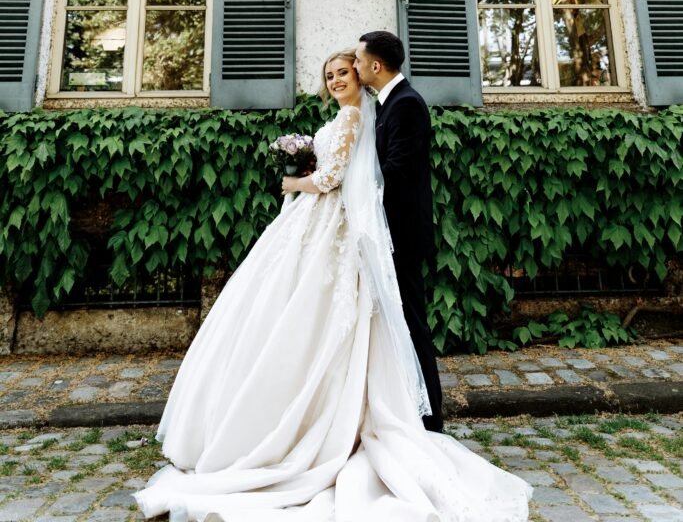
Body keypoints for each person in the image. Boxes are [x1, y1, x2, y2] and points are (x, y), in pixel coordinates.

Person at [135, 49, 531, 522]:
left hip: (330, 224)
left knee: (321, 317)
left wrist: (294, 183)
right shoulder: (353, 114)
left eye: (345, 71)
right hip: (318, 226)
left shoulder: (358, 116)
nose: (338, 78)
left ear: (364, 73)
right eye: (331, 75)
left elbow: (334, 178)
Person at [354, 30, 443, 431]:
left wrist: (349, 191)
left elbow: (397, 172)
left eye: (358, 61)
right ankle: (405, 412)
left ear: (375, 65)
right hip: (386, 233)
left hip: (402, 237)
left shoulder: (406, 105)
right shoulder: (386, 104)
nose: (354, 68)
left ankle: (432, 421)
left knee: (412, 324)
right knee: (397, 323)